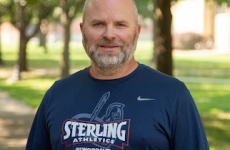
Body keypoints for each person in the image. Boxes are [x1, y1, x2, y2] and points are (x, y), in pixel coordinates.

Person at [26, 0, 209, 149]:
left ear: (136, 33)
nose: (109, 34)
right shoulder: (57, 95)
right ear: (82, 31)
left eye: (120, 24)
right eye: (98, 24)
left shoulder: (173, 95)